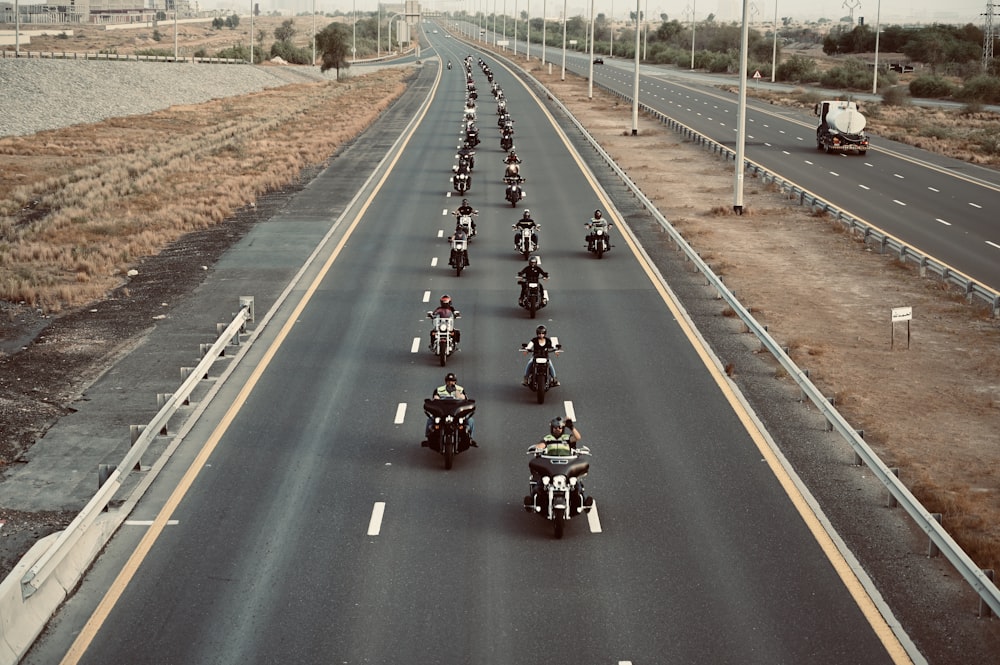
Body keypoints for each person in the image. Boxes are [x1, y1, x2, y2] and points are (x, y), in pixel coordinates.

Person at [423, 372, 476, 445]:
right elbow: (434, 399)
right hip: (443, 412)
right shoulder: (439, 389)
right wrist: (436, 399)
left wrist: (459, 395)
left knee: (470, 421)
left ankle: (470, 439)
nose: (450, 382)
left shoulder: (460, 389)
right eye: (449, 381)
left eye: (452, 381)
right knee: (430, 420)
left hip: (456, 412)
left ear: (455, 381)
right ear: (446, 381)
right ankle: (428, 439)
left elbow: (465, 399)